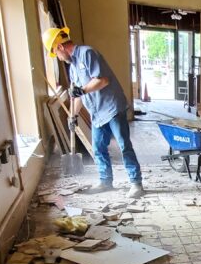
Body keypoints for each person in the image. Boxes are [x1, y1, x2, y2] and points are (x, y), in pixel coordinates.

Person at [42, 27, 144, 198]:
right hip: (97, 113)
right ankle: (105, 181)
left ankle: (136, 183)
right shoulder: (72, 67)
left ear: (59, 46)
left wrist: (81, 90)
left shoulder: (87, 53)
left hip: (112, 107)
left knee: (123, 145)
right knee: (98, 148)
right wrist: (72, 115)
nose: (58, 57)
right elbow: (78, 95)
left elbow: (102, 80)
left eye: (55, 53)